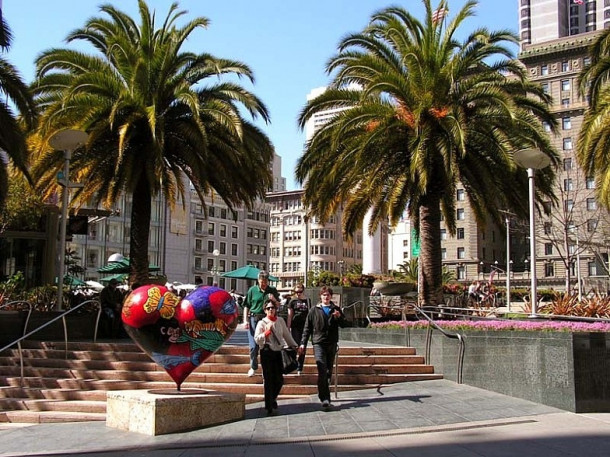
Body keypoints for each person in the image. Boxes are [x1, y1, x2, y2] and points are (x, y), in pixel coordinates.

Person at [298, 285, 346, 409]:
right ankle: (325, 398)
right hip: (318, 343)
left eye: (328, 295)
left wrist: (338, 317)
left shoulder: (335, 309)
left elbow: (344, 324)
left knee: (328, 371)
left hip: (331, 343)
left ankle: (323, 392)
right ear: (321, 296)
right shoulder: (314, 310)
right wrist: (303, 343)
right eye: (324, 295)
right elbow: (307, 328)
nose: (326, 297)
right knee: (322, 369)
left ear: (331, 296)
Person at [254, 299, 297, 415]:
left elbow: (287, 335)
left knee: (279, 379)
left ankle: (272, 398)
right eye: (268, 308)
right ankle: (269, 405)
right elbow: (257, 339)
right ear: (265, 310)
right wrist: (266, 333)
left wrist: (294, 345)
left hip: (278, 352)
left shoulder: (281, 321)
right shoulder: (261, 323)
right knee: (268, 379)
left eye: (272, 308)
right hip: (266, 352)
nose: (271, 310)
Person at [243, 270, 280, 376]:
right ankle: (253, 366)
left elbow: (278, 306)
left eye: (265, 281)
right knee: (254, 346)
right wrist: (245, 320)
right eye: (261, 281)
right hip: (254, 318)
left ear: (268, 281)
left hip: (267, 319)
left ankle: (268, 368)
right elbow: (247, 306)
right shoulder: (252, 290)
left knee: (267, 345)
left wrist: (274, 300)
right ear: (258, 280)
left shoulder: (272, 290)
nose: (263, 283)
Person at [286, 284, 310, 374]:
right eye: (296, 292)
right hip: (295, 325)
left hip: (305, 326)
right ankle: (293, 364)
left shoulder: (307, 300)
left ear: (303, 291)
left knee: (303, 346)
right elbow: (290, 315)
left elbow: (309, 314)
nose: (298, 294)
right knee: (295, 345)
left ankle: (300, 367)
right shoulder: (292, 301)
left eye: (300, 292)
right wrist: (288, 327)